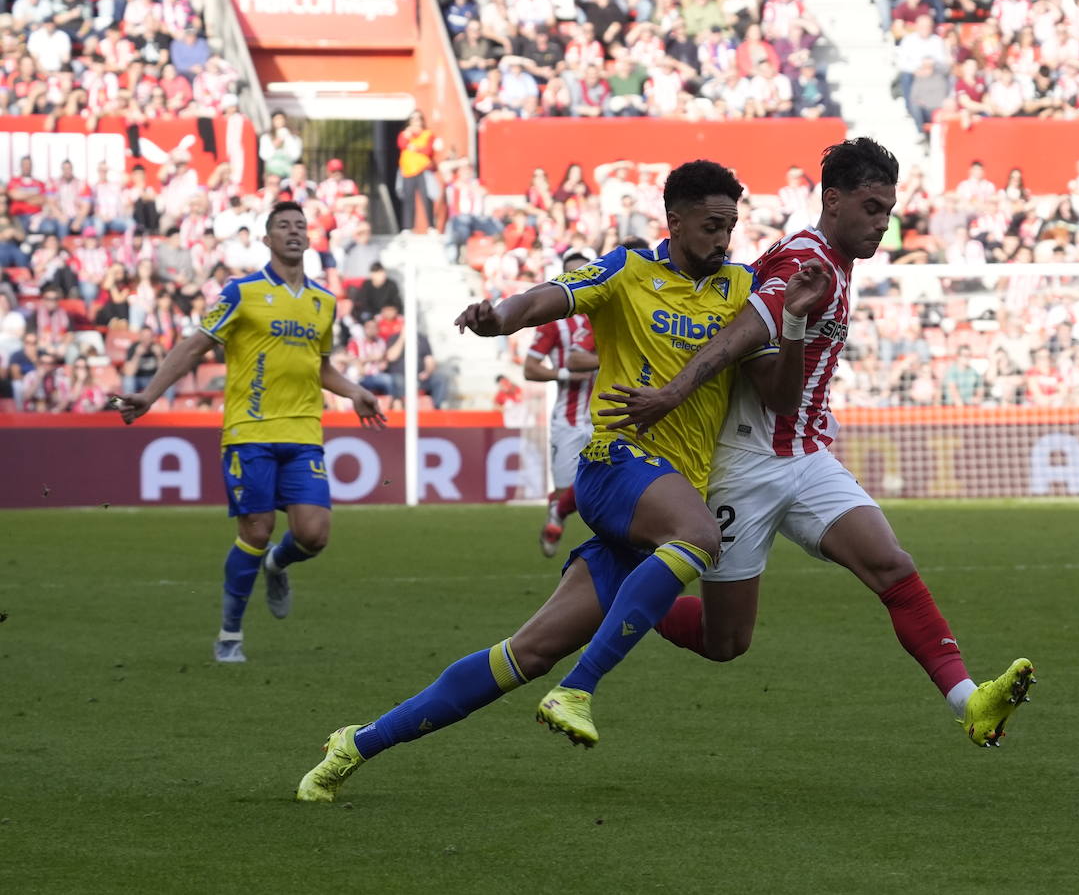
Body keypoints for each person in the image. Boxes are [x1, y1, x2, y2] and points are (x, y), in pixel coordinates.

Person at [295, 161, 829, 801]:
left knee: (525, 655)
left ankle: (355, 744)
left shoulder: (742, 290)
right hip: (616, 463)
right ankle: (580, 688)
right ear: (676, 220)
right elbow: (552, 295)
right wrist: (503, 318)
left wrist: (794, 321)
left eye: (731, 227)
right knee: (698, 536)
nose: (724, 240)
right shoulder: (630, 273)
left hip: (659, 503)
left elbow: (784, 395)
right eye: (712, 226)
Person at [598, 139, 1035, 749]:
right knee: (726, 643)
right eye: (872, 208)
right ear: (834, 201)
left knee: (891, 564)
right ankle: (619, 595)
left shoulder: (838, 261)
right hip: (744, 467)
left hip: (804, 456)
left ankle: (971, 702)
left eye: (889, 210)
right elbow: (742, 333)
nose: (883, 224)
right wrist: (674, 392)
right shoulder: (803, 261)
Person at [113, 201, 386, 663]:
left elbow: (320, 366)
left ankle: (279, 565)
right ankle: (230, 634)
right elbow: (195, 344)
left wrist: (354, 389)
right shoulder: (241, 292)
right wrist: (151, 394)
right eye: (284, 226)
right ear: (267, 239)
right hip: (249, 430)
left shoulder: (324, 302)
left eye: (301, 225)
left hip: (303, 431)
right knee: (257, 531)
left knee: (314, 535)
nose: (294, 232)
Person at [524, 249, 600, 557]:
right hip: (568, 418)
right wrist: (567, 372)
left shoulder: (608, 311)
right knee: (567, 489)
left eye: (583, 273)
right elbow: (530, 368)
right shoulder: (555, 322)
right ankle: (557, 514)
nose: (577, 279)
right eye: (571, 274)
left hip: (606, 415)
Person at [397, 110, 439, 233]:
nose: (416, 122)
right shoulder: (405, 134)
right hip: (408, 170)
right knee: (408, 199)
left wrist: (415, 148)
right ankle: (407, 227)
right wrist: (408, 135)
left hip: (423, 170)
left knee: (427, 198)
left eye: (418, 119)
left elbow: (428, 150)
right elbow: (401, 144)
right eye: (413, 119)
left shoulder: (428, 134)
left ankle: (431, 226)